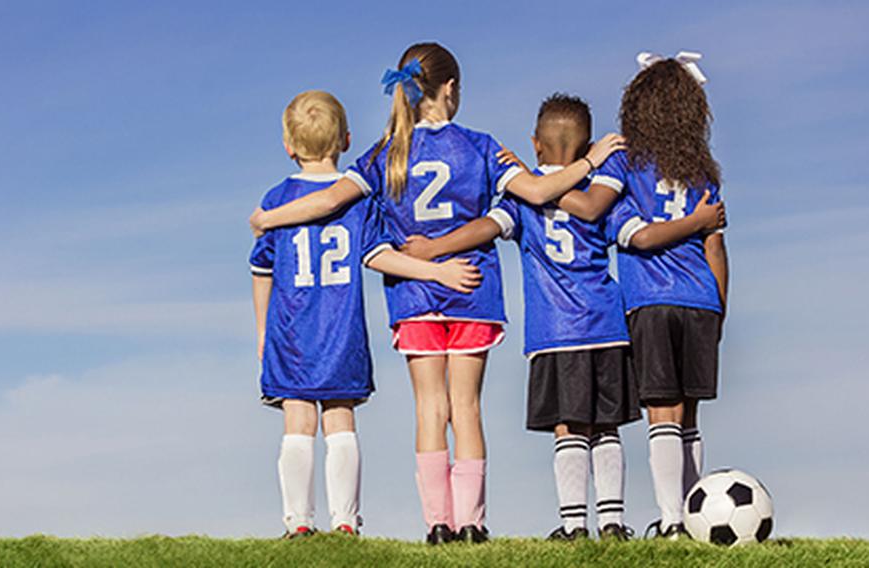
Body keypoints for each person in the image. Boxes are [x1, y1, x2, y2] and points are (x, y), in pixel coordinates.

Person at [248, 43, 623, 544]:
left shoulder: (384, 154)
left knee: (430, 410)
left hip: (412, 296)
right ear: (450, 89)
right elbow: (536, 193)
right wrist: (590, 161)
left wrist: (269, 218)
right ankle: (472, 523)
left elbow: (331, 197)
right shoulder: (482, 145)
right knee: (466, 409)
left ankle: (437, 525)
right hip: (472, 290)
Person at [401, 93, 720, 541]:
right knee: (606, 426)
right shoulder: (603, 199)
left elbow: (484, 229)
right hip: (608, 327)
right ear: (588, 145)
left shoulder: (523, 200)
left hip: (555, 333)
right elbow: (635, 234)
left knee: (568, 428)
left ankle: (573, 525)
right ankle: (612, 522)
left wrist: (433, 248)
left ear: (535, 144)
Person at [250, 90, 483, 539]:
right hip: (342, 332)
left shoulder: (277, 200)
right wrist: (435, 271)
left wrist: (262, 330)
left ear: (288, 146)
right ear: (347, 140)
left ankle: (298, 522)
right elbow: (381, 256)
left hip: (292, 334)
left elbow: (262, 271)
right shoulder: (357, 201)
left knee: (298, 420)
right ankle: (345, 522)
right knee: (340, 418)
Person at [597, 52, 729, 539]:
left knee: (664, 414)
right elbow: (716, 248)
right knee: (689, 413)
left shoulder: (627, 168)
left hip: (651, 302)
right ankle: (695, 521)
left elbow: (641, 238)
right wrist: (720, 309)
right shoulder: (702, 174)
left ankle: (674, 519)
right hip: (700, 301)